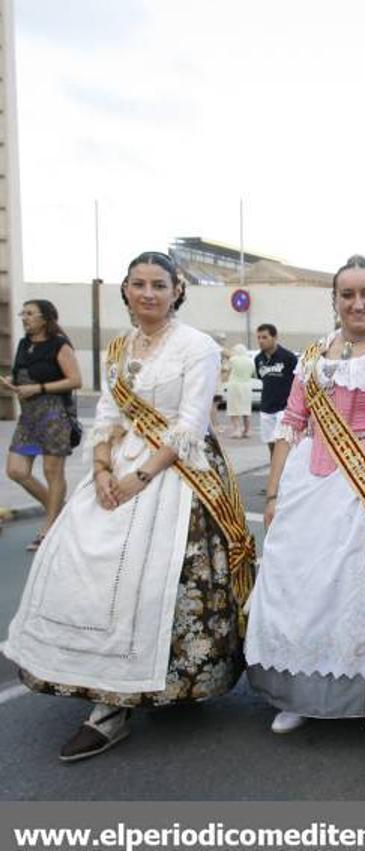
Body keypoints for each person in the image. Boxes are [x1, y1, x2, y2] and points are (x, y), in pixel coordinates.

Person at [4, 251, 255, 762]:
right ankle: (105, 694)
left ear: (176, 290)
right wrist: (100, 468)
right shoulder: (120, 346)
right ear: (125, 289)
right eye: (138, 284)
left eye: (158, 284)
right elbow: (109, 413)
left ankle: (141, 693)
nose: (148, 293)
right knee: (86, 567)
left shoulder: (198, 346)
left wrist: (139, 476)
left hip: (175, 471)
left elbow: (189, 426)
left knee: (161, 583)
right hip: (118, 465)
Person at [245, 256, 365, 734]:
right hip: (312, 483)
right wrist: (272, 493)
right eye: (347, 294)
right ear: (334, 301)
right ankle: (300, 692)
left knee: (356, 589)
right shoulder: (312, 355)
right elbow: (291, 424)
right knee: (302, 585)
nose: (358, 303)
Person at [2, 300, 83, 550]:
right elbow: (23, 374)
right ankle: (60, 511)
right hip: (28, 418)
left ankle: (48, 530)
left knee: (52, 472)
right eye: (22, 313)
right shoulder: (24, 344)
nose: (24, 318)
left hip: (54, 414)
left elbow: (76, 380)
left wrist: (38, 388)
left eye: (29, 314)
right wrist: (10, 381)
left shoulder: (59, 345)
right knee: (16, 471)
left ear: (45, 318)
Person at [254, 323, 299, 465]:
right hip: (266, 407)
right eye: (259, 337)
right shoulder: (258, 359)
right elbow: (263, 379)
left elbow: (297, 382)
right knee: (270, 442)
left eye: (265, 337)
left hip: (284, 408)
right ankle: (275, 473)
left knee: (284, 443)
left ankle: (286, 474)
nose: (261, 340)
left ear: (274, 338)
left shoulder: (288, 358)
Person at [224, 344, 255, 439]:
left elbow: (225, 369)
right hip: (247, 386)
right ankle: (247, 430)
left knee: (234, 409)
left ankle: (237, 430)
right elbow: (253, 373)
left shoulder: (233, 360)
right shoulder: (250, 361)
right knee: (246, 409)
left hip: (234, 386)